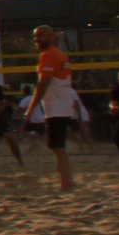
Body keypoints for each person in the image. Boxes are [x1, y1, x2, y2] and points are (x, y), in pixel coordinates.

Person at [21, 25, 80, 191]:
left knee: (58, 147)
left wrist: (30, 110)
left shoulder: (48, 55)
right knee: (58, 147)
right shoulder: (58, 53)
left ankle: (66, 183)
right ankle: (68, 181)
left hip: (57, 108)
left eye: (40, 36)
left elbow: (43, 84)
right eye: (35, 37)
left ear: (50, 36)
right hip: (61, 106)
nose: (37, 40)